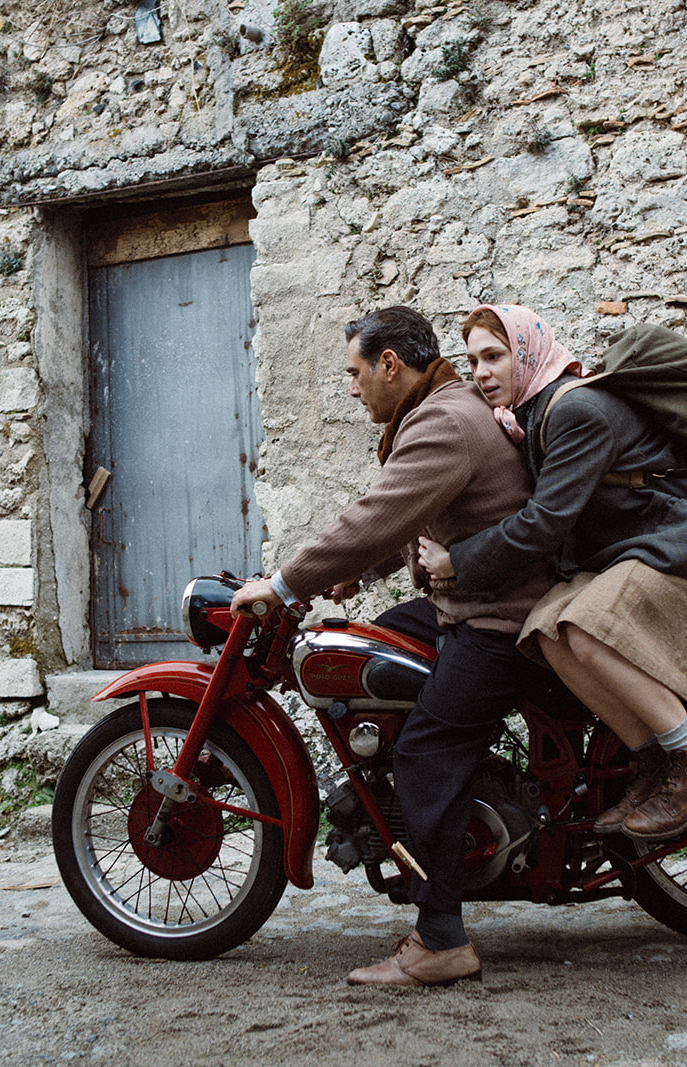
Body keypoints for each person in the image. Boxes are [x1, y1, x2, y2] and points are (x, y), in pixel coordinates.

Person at [230, 306, 552, 987]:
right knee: (364, 647)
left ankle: (441, 937)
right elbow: (421, 513)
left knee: (426, 747)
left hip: (499, 618)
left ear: (389, 365)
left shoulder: (441, 421)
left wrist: (285, 583)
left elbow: (380, 512)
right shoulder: (445, 406)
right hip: (467, 603)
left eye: (354, 372)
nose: (351, 388)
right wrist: (359, 570)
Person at [419, 304, 687, 843]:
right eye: (472, 361)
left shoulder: (574, 410)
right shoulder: (532, 412)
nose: (481, 373)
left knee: (586, 628)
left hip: (683, 544)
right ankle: (653, 763)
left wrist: (459, 562)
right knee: (547, 633)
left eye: (494, 357)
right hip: (641, 547)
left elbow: (544, 523)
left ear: (526, 353)